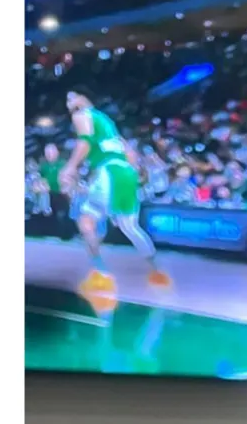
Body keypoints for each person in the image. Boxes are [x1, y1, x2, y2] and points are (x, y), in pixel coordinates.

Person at [57, 90, 172, 301]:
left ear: (84, 98)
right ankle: (158, 273)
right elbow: (130, 152)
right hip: (126, 174)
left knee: (86, 222)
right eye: (67, 99)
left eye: (72, 97)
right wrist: (135, 173)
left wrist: (70, 166)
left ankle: (100, 275)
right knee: (130, 227)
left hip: (108, 172)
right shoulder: (107, 121)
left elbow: (84, 142)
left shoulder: (82, 115)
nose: (69, 102)